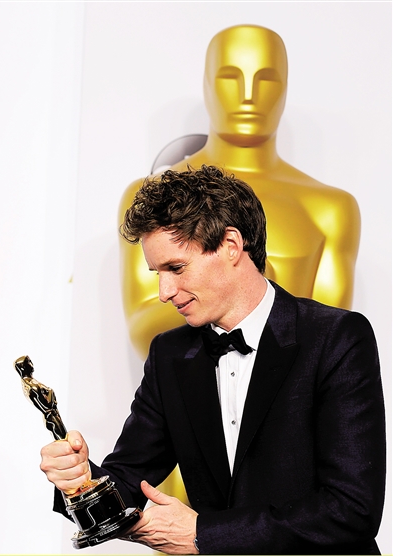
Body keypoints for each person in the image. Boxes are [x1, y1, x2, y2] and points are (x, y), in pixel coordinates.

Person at [41, 166, 385, 555]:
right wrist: (80, 481)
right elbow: (128, 482)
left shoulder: (336, 337)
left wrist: (205, 535)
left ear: (231, 245)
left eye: (176, 268)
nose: (164, 292)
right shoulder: (170, 354)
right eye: (157, 273)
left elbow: (352, 509)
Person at [118, 25, 361, 359]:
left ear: (285, 88)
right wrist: (233, 285)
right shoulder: (153, 197)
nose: (248, 94)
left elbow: (329, 339)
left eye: (267, 80)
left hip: (288, 389)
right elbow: (144, 332)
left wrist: (255, 288)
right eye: (230, 77)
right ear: (207, 84)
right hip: (191, 386)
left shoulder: (330, 208)